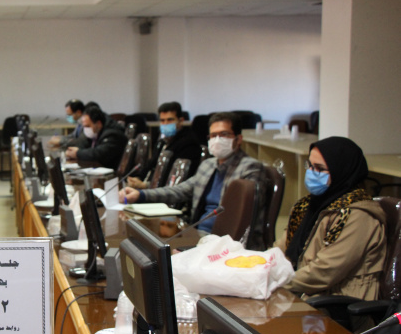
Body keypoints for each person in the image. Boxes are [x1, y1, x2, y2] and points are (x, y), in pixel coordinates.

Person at [120, 112, 265, 247]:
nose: (217, 140)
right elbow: (180, 191)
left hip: (226, 242)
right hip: (197, 234)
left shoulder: (250, 168)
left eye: (224, 134)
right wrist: (140, 195)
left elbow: (242, 218)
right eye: (213, 135)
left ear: (238, 139)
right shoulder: (208, 165)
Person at [276, 137, 385, 301]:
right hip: (302, 292)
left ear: (341, 171)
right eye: (310, 165)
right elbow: (282, 248)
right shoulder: (307, 206)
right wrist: (259, 267)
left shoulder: (358, 215)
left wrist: (275, 281)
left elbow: (324, 272)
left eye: (319, 169)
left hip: (336, 303)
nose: (311, 172)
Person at [128, 101, 202, 189]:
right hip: (150, 187)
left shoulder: (189, 143)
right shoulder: (162, 141)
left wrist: (146, 185)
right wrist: (138, 178)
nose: (166, 124)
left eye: (170, 120)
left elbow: (177, 177)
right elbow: (150, 165)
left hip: (167, 191)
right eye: (162, 120)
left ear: (180, 121)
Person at [64, 105, 127, 169]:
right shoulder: (96, 131)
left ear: (98, 124)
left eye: (88, 126)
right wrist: (72, 150)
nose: (85, 129)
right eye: (84, 126)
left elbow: (99, 154)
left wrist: (77, 153)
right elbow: (84, 144)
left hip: (111, 171)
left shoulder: (113, 134)